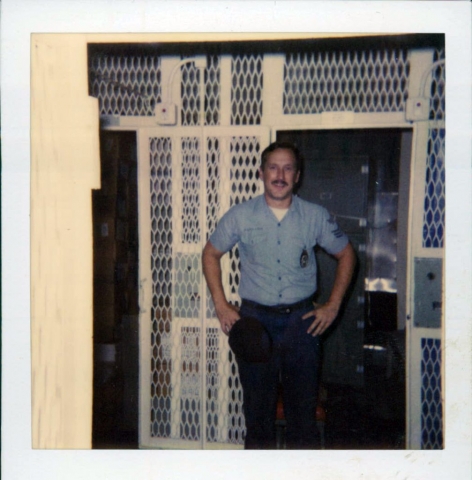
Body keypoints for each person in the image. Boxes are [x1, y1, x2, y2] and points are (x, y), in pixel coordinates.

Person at [202, 141, 356, 449]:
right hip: (255, 325)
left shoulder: (315, 216)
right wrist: (221, 304)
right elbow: (210, 254)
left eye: (288, 169)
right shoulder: (240, 215)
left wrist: (333, 305)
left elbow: (347, 255)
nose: (280, 175)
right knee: (257, 415)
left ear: (297, 176)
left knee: (303, 415)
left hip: (303, 324)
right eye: (273, 167)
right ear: (261, 173)